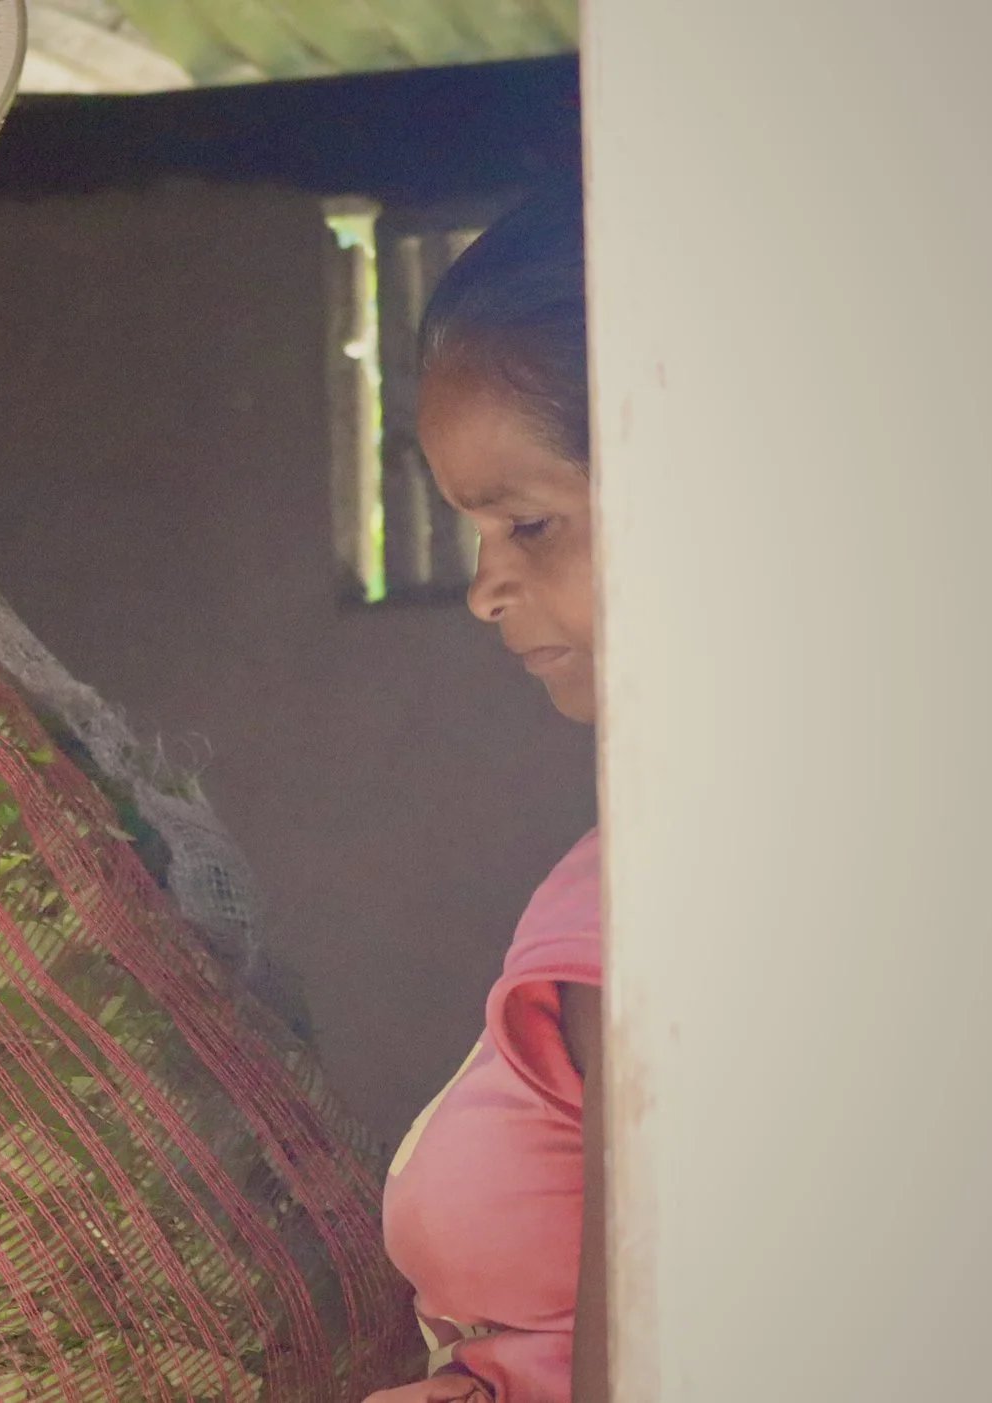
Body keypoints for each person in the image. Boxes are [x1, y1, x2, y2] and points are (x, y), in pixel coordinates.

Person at [366, 180, 607, 1403]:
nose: (484, 589)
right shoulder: (618, 866)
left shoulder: (661, 913)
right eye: (472, 532)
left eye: (527, 522)